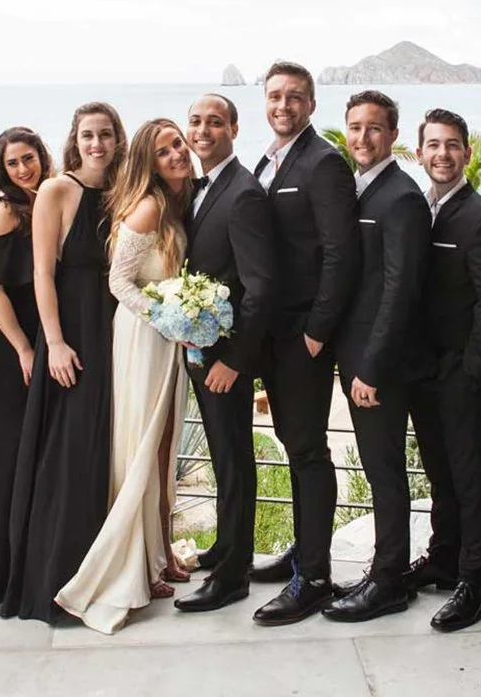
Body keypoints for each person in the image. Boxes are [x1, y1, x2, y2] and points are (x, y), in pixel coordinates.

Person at [55, 118, 193, 633]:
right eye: (164, 151)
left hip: (166, 337)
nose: (177, 153)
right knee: (144, 444)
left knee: (164, 446)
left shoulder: (176, 202)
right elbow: (119, 282)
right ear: (148, 163)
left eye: (178, 143)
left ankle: (160, 553)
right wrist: (170, 319)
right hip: (143, 336)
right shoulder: (149, 206)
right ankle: (134, 562)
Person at [2, 103, 124, 622]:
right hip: (71, 335)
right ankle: (56, 578)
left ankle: (109, 573)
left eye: (106, 134)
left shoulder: (124, 190)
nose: (97, 144)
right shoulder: (56, 190)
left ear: (118, 139)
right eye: (88, 135)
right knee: (69, 453)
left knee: (107, 450)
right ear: (75, 139)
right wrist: (53, 342)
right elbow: (42, 274)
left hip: (117, 333)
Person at [248, 61, 360, 627]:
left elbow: (341, 253)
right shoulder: (268, 161)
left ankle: (314, 579)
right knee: (294, 445)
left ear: (311, 104)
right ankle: (303, 550)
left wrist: (318, 331)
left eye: (294, 97)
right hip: (273, 335)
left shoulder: (324, 162)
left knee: (309, 452)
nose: (283, 105)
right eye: (275, 96)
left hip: (304, 338)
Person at [320, 90, 430, 624]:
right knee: (377, 465)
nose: (363, 137)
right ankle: (385, 569)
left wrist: (372, 368)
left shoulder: (401, 197)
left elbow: (399, 290)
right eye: (356, 127)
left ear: (393, 135)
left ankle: (389, 582)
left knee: (385, 472)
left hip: (378, 366)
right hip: (357, 357)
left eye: (374, 128)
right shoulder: (362, 188)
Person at [408, 108, 481, 632]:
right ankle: (444, 557)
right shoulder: (419, 209)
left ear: (467, 154)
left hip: (461, 373)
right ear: (419, 152)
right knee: (439, 473)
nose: (443, 154)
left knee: (470, 479)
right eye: (433, 145)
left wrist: (473, 372)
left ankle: (474, 582)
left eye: (452, 145)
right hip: (421, 372)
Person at [174, 93, 275, 614]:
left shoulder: (243, 193)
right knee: (220, 455)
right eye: (195, 121)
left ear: (234, 129)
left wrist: (235, 361)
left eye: (215, 122)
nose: (203, 130)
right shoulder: (201, 187)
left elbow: (261, 287)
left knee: (234, 460)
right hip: (200, 349)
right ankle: (226, 546)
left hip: (224, 361)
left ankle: (233, 576)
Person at [0, 127, 53, 614]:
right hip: (16, 343)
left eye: (28, 158)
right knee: (10, 450)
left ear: (42, 156)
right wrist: (22, 347)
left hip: (47, 335)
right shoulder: (4, 212)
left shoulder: (48, 198)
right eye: (13, 163)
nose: (23, 168)